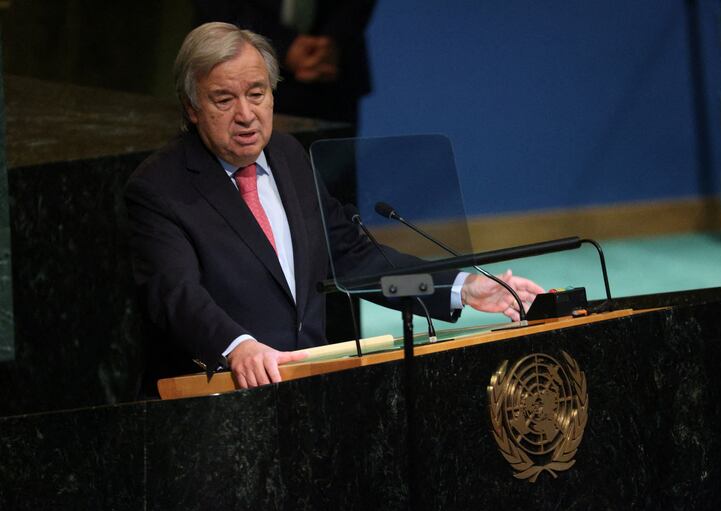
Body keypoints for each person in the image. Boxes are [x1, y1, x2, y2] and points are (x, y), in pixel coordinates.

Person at [125, 22, 543, 392]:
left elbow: (356, 261)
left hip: (312, 387)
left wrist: (459, 288)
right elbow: (176, 294)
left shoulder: (288, 156)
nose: (246, 115)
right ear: (191, 108)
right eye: (223, 100)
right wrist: (238, 346)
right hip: (223, 397)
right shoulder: (160, 187)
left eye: (256, 94)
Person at [193, 0, 375, 125]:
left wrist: (334, 39)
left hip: (332, 75)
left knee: (329, 176)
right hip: (236, 65)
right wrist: (282, 45)